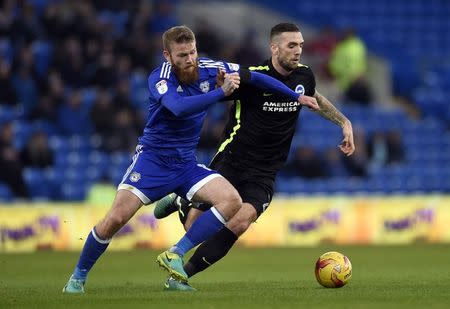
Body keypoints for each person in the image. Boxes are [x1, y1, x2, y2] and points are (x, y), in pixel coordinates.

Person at [62, 25, 319, 294]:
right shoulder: (159, 78)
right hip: (153, 162)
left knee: (231, 201)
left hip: (186, 164)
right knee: (115, 219)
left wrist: (295, 96)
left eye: (193, 52)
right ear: (167, 56)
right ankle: (78, 277)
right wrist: (221, 93)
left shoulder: (210, 67)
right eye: (182, 55)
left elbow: (255, 78)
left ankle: (176, 252)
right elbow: (178, 108)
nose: (189, 60)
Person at [154, 23, 355, 291]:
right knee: (194, 226)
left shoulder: (305, 75)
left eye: (301, 45)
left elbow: (313, 97)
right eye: (291, 45)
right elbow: (211, 89)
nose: (298, 51)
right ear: (274, 48)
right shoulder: (252, 77)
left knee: (240, 222)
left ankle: (181, 277)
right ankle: (183, 199)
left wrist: (343, 122)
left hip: (265, 171)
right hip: (233, 159)